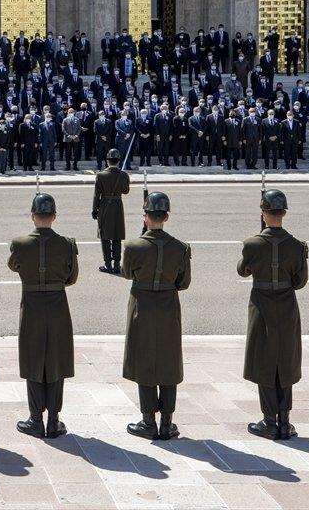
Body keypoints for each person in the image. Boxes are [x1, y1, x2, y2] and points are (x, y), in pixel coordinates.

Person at [237, 189, 308, 440]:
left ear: (263, 213)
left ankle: (269, 420)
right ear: (285, 212)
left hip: (262, 304)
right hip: (287, 304)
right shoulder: (297, 246)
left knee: (264, 359)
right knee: (285, 360)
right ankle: (285, 420)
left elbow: (242, 271)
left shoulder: (252, 243)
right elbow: (300, 281)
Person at [121, 191, 190, 441]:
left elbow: (126, 273)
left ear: (145, 216)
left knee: (145, 359)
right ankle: (167, 422)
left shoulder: (133, 246)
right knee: (169, 361)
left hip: (142, 305)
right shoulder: (181, 248)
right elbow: (184, 283)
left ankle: (148, 420)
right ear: (166, 216)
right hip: (169, 305)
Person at [8, 192, 78, 439]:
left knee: (33, 359)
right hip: (58, 305)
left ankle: (35, 419)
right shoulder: (67, 244)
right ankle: (53, 420)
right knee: (56, 361)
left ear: (32, 216)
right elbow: (72, 278)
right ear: (54, 216)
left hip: (32, 307)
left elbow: (14, 265)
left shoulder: (20, 244)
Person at [92, 148, 130, 274]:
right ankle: (117, 265)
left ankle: (108, 264)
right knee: (117, 236)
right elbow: (126, 191)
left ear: (107, 161)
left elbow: (96, 195)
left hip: (105, 206)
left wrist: (94, 209)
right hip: (118, 205)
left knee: (105, 236)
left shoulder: (101, 175)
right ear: (118, 161)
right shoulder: (123, 175)